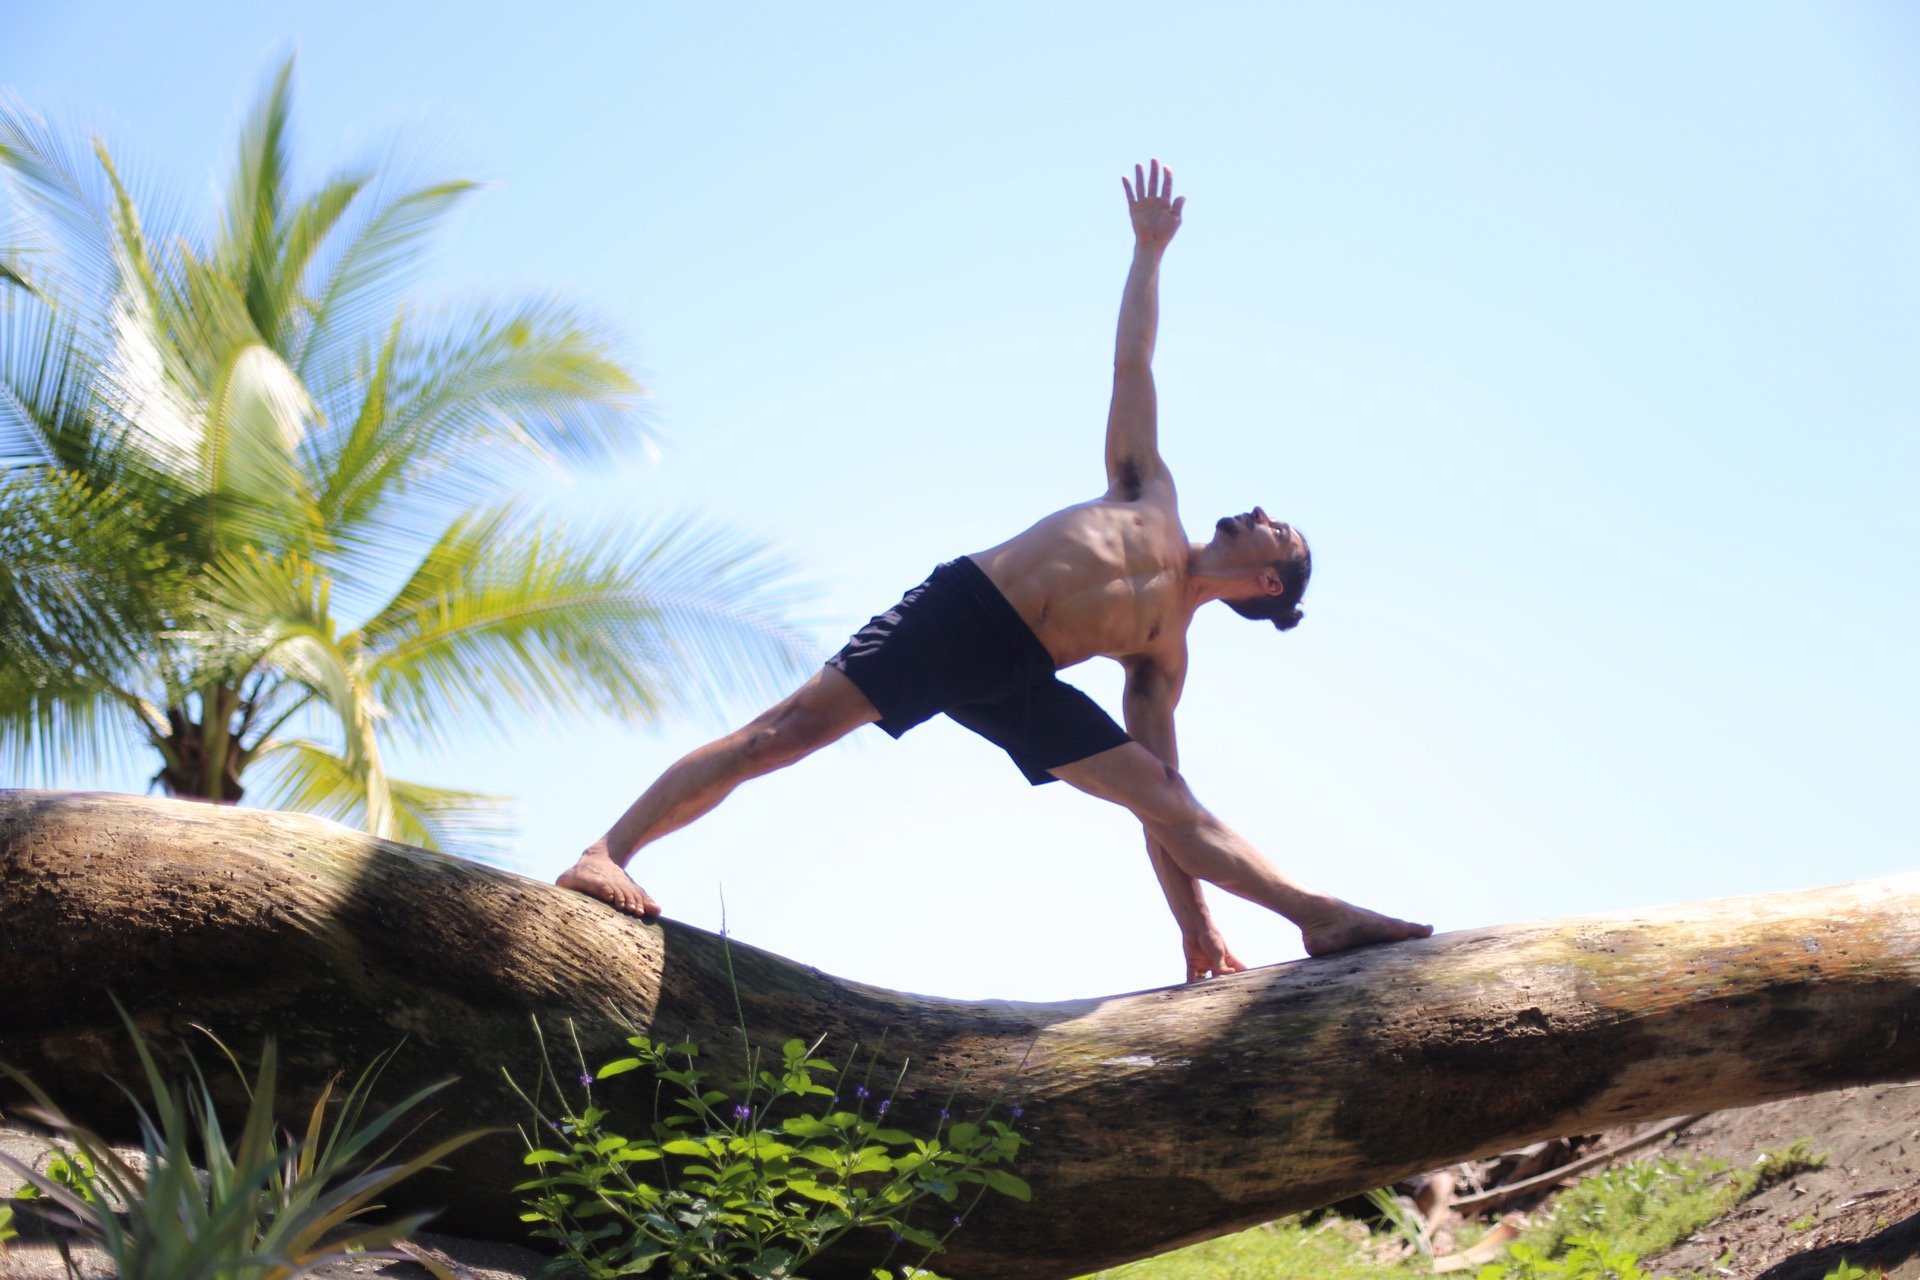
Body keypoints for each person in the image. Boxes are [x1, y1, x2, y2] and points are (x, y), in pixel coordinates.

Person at [559, 160, 1431, 981]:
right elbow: (1134, 365)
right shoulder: (1148, 489)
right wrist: (1148, 252)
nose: (1257, 513)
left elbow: (1164, 820)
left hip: (1020, 676)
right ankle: (607, 851)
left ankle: (1314, 914)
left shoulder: (1163, 655)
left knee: (1168, 792)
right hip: (964, 612)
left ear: (1270, 581)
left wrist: (1194, 924)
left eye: (1277, 530)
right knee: (776, 737)